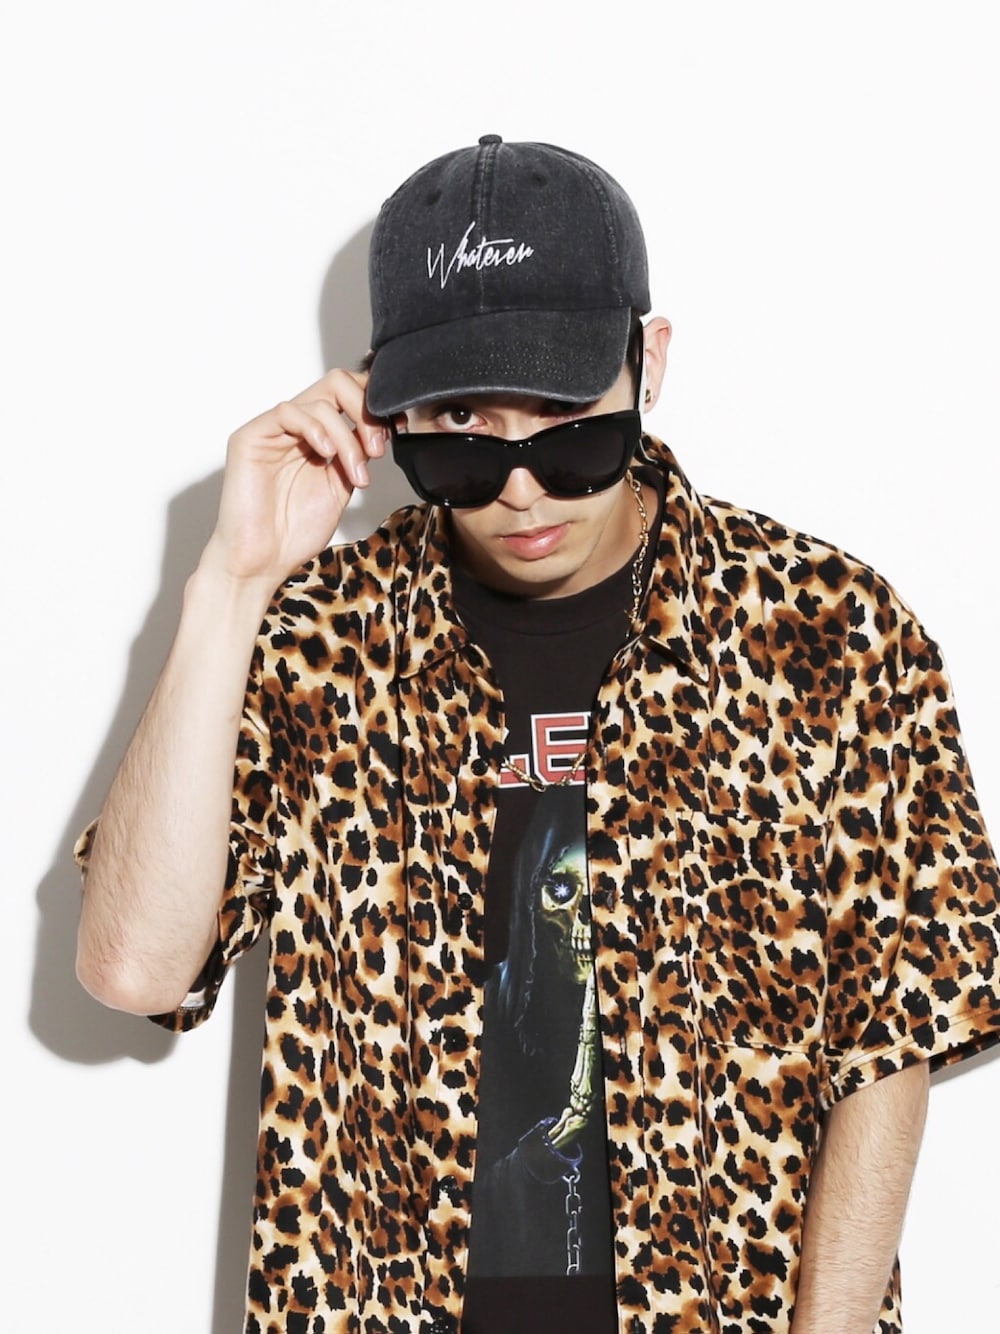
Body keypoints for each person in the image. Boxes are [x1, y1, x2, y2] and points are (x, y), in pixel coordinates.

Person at [75, 135, 1000, 1334]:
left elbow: (889, 1038)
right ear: (386, 405)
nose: (519, 488)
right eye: (460, 427)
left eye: (566, 422)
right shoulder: (319, 641)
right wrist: (233, 579)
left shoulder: (826, 631)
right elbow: (136, 966)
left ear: (646, 364)